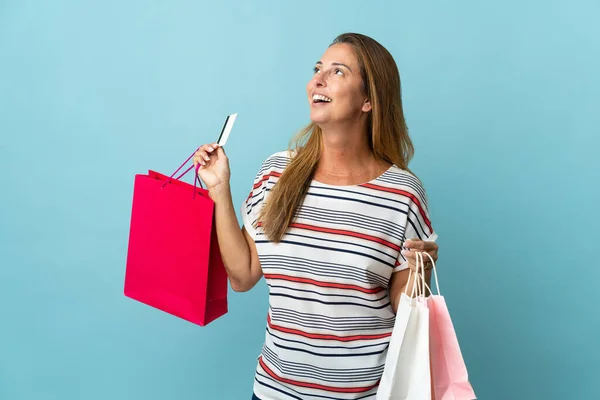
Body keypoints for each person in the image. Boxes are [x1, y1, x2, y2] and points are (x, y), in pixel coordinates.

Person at [194, 33, 439, 400]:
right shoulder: (276, 173)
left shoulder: (403, 194)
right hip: (274, 392)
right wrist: (219, 188)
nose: (318, 80)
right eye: (317, 69)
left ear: (369, 100)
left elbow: (405, 312)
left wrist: (422, 271)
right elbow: (242, 275)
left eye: (337, 72)